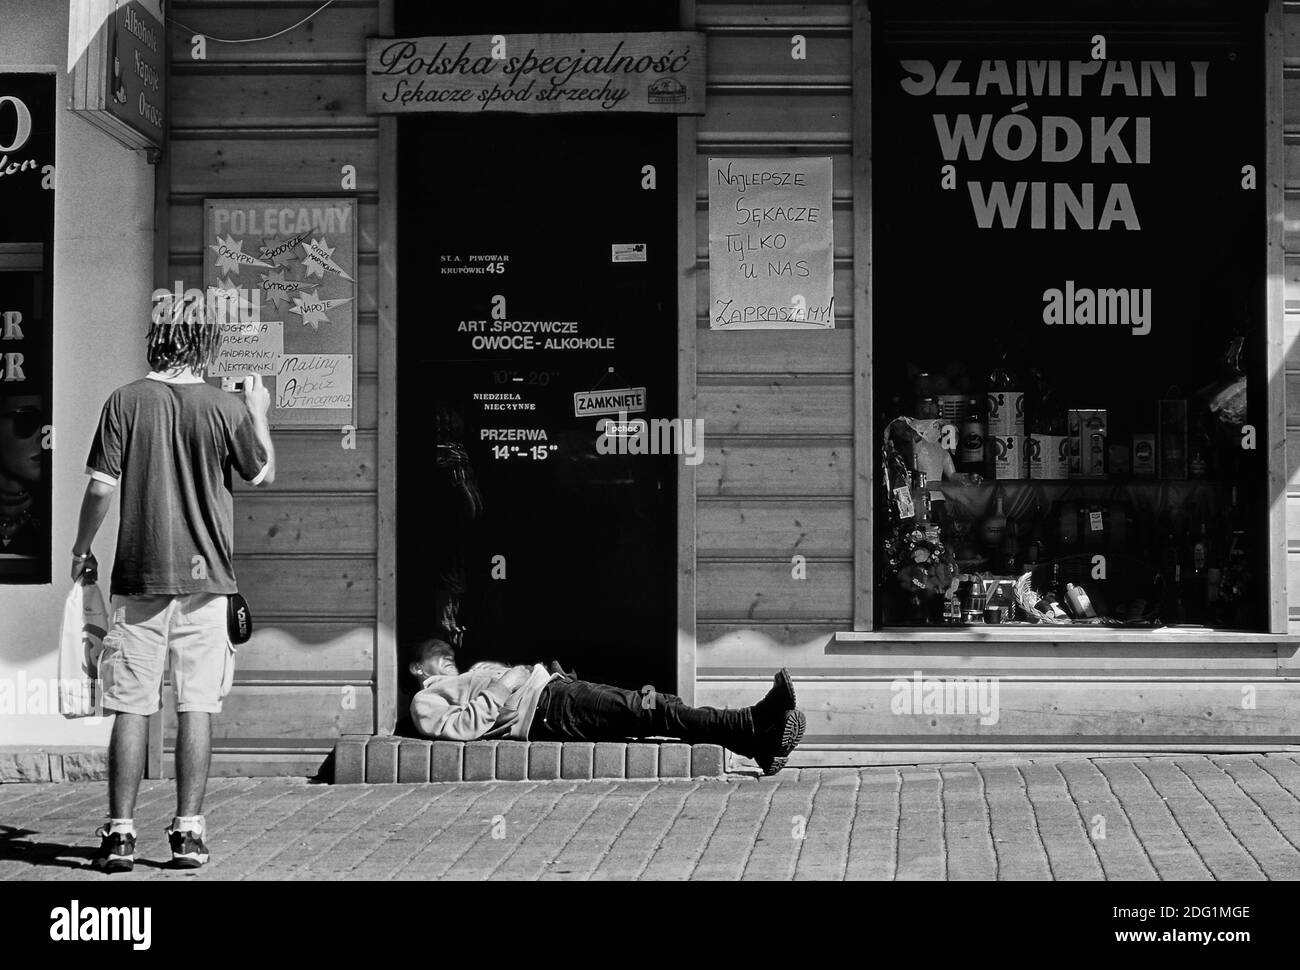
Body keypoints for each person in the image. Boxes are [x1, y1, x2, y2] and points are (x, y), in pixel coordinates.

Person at [72, 293, 276, 872]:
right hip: (208, 580)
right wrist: (256, 407)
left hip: (138, 577)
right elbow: (262, 473)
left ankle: (119, 835)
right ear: (204, 344)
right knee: (197, 708)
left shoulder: (124, 401)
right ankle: (188, 833)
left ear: (155, 340)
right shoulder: (222, 405)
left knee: (131, 708)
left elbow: (100, 489)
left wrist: (81, 546)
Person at [408, 638, 805, 775]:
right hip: (546, 709)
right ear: (415, 667)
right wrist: (505, 683)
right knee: (652, 708)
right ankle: (754, 725)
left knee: (654, 709)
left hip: (553, 693)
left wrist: (540, 675)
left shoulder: (468, 673)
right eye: (434, 652)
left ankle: (756, 740)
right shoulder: (423, 700)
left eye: (447, 650)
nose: (446, 653)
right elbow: (460, 729)